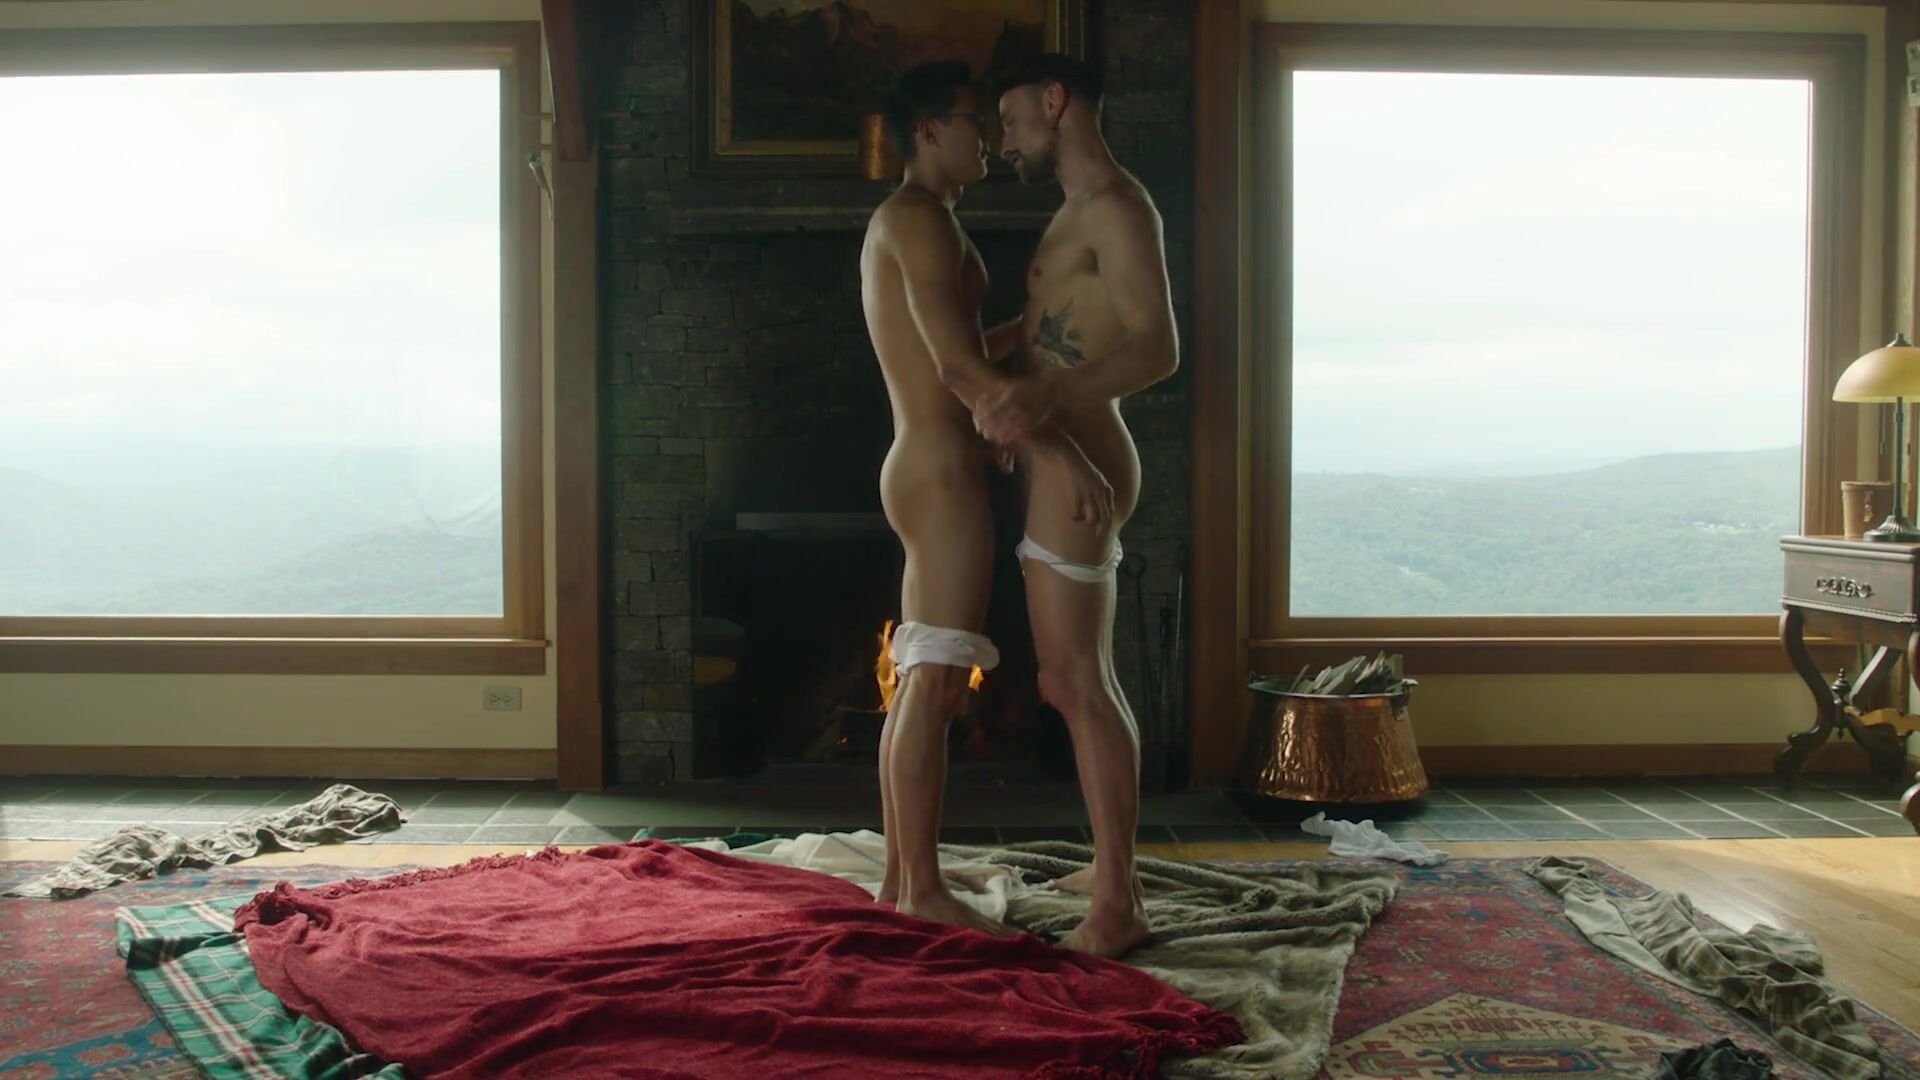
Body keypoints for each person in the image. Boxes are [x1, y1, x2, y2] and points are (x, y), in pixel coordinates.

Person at [858, 61, 1113, 935]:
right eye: (976, 122)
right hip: (938, 468)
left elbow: (965, 346)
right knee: (933, 681)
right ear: (931, 130)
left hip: (928, 461)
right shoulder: (918, 219)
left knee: (922, 677)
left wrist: (1042, 338)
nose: (991, 141)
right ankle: (921, 891)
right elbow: (957, 369)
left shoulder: (919, 220)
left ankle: (902, 882)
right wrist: (1057, 452)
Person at [972, 53, 1182, 959]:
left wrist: (1042, 401)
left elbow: (1158, 347)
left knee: (1072, 685)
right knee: (1084, 677)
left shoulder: (1118, 207)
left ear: (1055, 101)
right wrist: (972, 353)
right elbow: (1053, 331)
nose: (1003, 137)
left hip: (1085, 464)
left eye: (1011, 116)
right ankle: (1111, 873)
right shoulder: (1072, 212)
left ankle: (1119, 907)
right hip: (1064, 463)